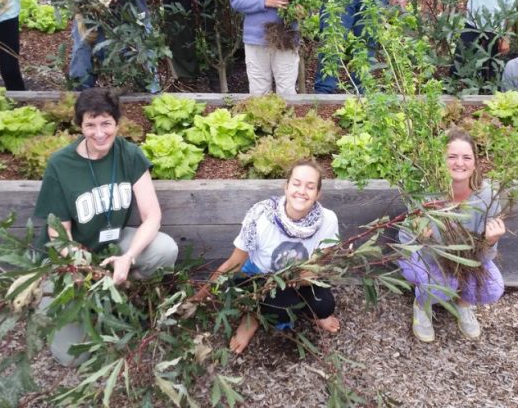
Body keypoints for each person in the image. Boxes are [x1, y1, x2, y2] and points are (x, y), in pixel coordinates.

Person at [32, 87, 178, 366]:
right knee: (73, 357)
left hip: (112, 245)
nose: (99, 133)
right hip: (69, 259)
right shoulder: (61, 165)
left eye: (106, 123)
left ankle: (116, 294)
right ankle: (69, 300)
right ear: (80, 126)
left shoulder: (129, 154)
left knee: (164, 249)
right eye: (91, 125)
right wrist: (86, 270)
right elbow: (59, 236)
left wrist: (129, 257)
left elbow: (152, 216)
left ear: (117, 123)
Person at [194, 160, 340, 354]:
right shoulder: (261, 217)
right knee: (282, 308)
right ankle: (252, 317)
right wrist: (199, 297)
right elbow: (233, 264)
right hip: (261, 277)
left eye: (310, 187)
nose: (302, 191)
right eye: (296, 184)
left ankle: (311, 312)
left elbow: (320, 263)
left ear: (318, 193)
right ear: (286, 186)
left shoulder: (327, 219)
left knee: (324, 306)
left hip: (299, 277)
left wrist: (306, 277)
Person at [398, 130, 506, 343]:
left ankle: (464, 303)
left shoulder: (487, 196)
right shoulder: (425, 192)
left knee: (493, 288)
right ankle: (422, 305)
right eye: (452, 156)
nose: (459, 163)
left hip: (467, 259)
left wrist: (490, 241)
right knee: (443, 285)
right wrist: (422, 238)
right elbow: (406, 242)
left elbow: (482, 259)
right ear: (441, 161)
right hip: (427, 256)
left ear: (475, 163)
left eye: (466, 157)